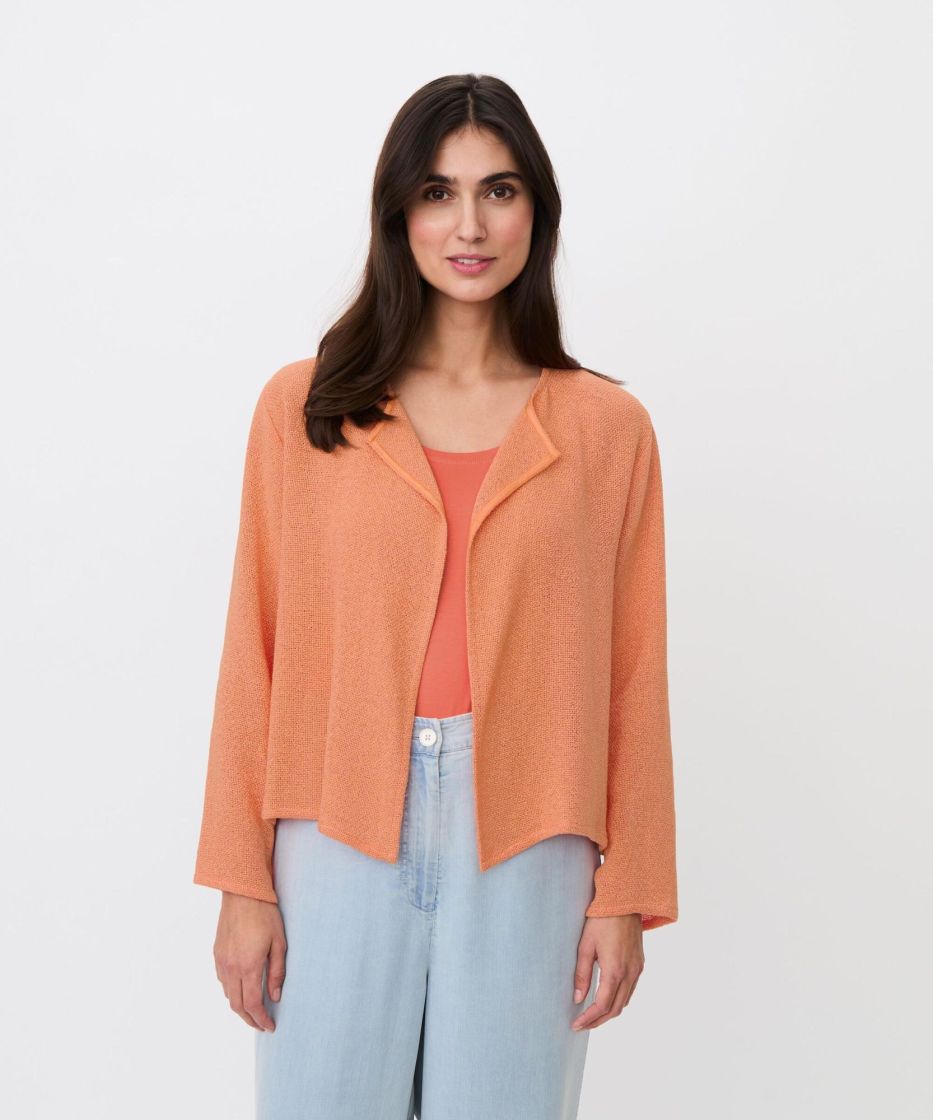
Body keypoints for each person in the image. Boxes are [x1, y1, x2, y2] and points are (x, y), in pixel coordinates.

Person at [193, 72, 678, 1120]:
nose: (469, 225)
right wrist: (242, 879)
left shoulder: (608, 431)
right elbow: (253, 647)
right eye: (437, 192)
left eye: (498, 190)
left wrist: (628, 890)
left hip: (532, 837)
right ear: (397, 212)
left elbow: (636, 673)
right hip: (334, 822)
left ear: (536, 210)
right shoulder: (307, 409)